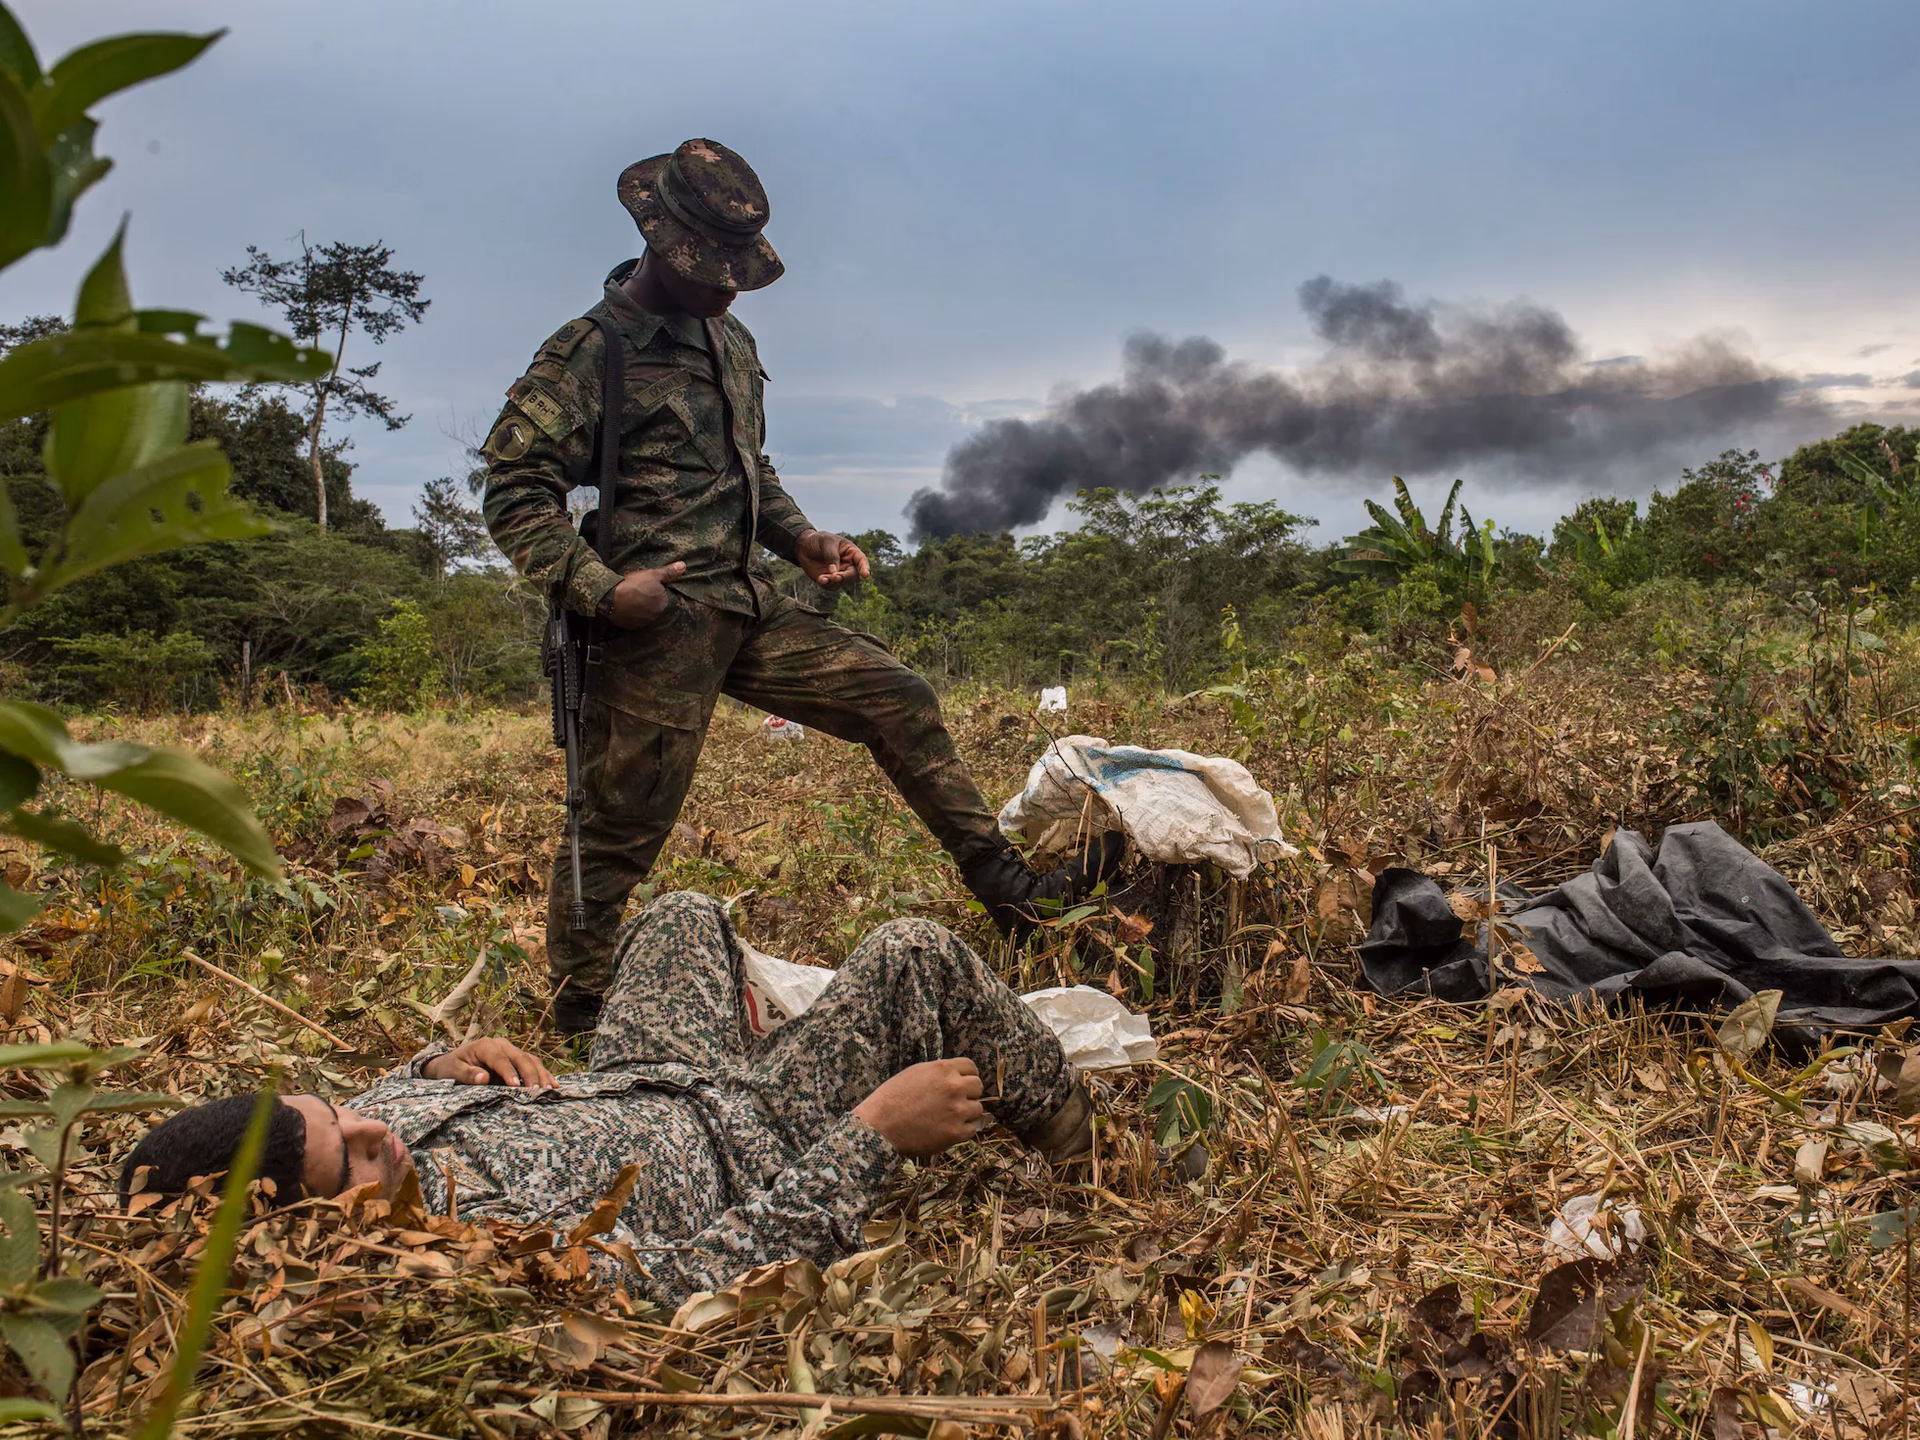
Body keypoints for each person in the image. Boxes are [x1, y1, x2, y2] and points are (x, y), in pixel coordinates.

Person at [479, 136, 1119, 1035]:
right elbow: (514, 490)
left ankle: (1009, 889)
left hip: (747, 601)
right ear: (669, 253)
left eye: (742, 270)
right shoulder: (590, 353)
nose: (733, 287)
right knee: (622, 821)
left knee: (896, 697)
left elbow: (749, 467)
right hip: (652, 625)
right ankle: (583, 1006)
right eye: (718, 270)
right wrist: (599, 588)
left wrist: (802, 536)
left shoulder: (730, 339)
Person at [120, 892, 1093, 1306]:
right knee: (913, 954)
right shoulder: (461, 1269)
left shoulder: (358, 1136)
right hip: (754, 1139)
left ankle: (768, 1027)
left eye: (340, 1117)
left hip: (642, 1075)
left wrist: (439, 1067)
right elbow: (687, 1285)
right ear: (312, 1241)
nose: (376, 1135)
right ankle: (1083, 1152)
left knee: (678, 916)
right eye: (358, 1161)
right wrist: (874, 1137)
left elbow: (381, 1099)